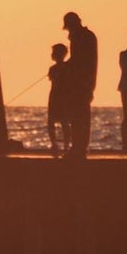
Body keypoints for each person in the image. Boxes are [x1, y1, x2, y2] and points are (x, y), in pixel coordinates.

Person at [61, 10, 98, 155]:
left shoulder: (80, 37)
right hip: (86, 82)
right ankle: (80, 146)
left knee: (78, 116)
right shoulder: (88, 36)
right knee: (81, 115)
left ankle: (78, 146)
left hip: (80, 83)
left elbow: (78, 61)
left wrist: (63, 66)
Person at [46, 43, 74, 158]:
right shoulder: (53, 68)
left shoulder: (66, 67)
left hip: (62, 96)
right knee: (52, 121)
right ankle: (54, 144)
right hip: (55, 96)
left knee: (64, 122)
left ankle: (65, 146)